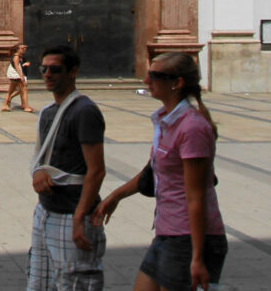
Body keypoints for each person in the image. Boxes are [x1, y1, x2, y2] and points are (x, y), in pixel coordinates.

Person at [96, 51, 226, 291]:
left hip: (190, 237)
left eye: (155, 76)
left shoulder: (192, 127)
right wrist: (116, 196)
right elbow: (153, 172)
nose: (147, 81)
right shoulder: (165, 121)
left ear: (176, 83)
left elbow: (195, 197)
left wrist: (197, 257)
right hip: (168, 232)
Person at [27, 45, 107, 291]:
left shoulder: (84, 112)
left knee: (75, 283)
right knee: (39, 283)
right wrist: (38, 172)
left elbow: (96, 170)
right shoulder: (48, 113)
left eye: (55, 69)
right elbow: (42, 159)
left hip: (71, 214)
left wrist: (79, 218)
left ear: (73, 72)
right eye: (44, 69)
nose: (47, 75)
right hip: (46, 212)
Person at [5, 43, 30, 113]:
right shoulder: (16, 57)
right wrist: (21, 76)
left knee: (12, 90)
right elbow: (16, 67)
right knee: (23, 89)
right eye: (22, 48)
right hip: (16, 75)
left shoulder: (19, 56)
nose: (24, 50)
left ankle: (6, 104)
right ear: (17, 49)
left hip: (15, 75)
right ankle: (26, 106)